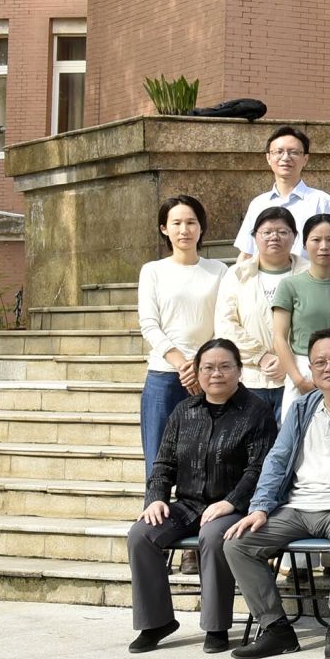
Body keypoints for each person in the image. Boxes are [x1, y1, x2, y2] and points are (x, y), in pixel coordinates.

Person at [223, 328, 330, 659]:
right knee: (238, 543)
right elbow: (277, 459)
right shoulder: (302, 407)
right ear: (311, 368)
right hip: (297, 506)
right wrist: (260, 507)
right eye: (320, 362)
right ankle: (276, 629)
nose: (328, 367)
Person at [125, 338, 277, 653]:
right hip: (188, 505)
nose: (216, 374)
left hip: (235, 507)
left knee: (213, 535)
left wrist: (230, 502)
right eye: (208, 367)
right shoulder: (184, 410)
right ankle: (156, 622)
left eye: (225, 367)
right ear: (197, 372)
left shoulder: (257, 412)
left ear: (239, 370)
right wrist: (156, 498)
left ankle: (216, 626)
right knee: (141, 534)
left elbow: (259, 469)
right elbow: (163, 463)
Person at [138, 195, 227, 481]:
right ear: (164, 228)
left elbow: (223, 324)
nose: (184, 230)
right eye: (176, 223)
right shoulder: (153, 271)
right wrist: (181, 364)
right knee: (158, 463)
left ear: (201, 227)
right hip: (164, 377)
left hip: (209, 377)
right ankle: (154, 508)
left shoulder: (219, 271)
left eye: (191, 222)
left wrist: (200, 365)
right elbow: (149, 324)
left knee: (205, 462)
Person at [271, 214, 330, 411]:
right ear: (305, 244)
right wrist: (299, 380)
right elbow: (279, 337)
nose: (324, 246)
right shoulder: (290, 285)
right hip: (302, 369)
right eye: (316, 240)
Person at [216, 207, 303, 394]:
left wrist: (287, 361)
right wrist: (261, 356)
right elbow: (226, 325)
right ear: (255, 236)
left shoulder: (308, 273)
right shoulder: (237, 274)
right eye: (267, 232)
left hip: (298, 377)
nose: (274, 237)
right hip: (250, 380)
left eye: (282, 232)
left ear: (295, 236)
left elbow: (315, 325)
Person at [233, 125, 330, 261]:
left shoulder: (321, 201)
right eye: (278, 152)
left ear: (305, 159)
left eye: (293, 152)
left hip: (305, 273)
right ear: (268, 158)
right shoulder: (258, 203)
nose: (285, 157)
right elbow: (247, 253)